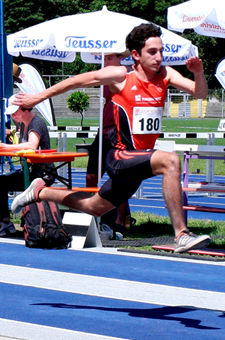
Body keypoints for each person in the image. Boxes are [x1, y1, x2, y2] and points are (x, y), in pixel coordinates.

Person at [11, 23, 211, 253]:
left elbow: (200, 92)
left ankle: (40, 192)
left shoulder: (165, 74)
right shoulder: (120, 76)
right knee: (171, 160)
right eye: (152, 52)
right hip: (120, 157)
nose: (159, 57)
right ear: (136, 54)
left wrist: (198, 72)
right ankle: (181, 234)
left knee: (94, 207)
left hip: (138, 160)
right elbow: (76, 81)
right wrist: (37, 98)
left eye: (161, 51)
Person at [87, 51, 134, 237]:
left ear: (119, 58)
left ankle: (120, 221)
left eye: (109, 58)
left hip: (119, 131)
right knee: (91, 176)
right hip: (103, 130)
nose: (105, 61)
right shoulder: (103, 77)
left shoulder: (126, 74)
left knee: (119, 177)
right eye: (103, 58)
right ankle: (93, 215)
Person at [0, 94, 55, 237]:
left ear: (24, 109)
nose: (13, 116)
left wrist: (5, 146)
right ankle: (5, 222)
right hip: (29, 172)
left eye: (15, 112)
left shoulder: (36, 123)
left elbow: (32, 146)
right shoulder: (23, 124)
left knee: (2, 183)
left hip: (42, 174)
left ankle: (7, 222)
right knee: (1, 182)